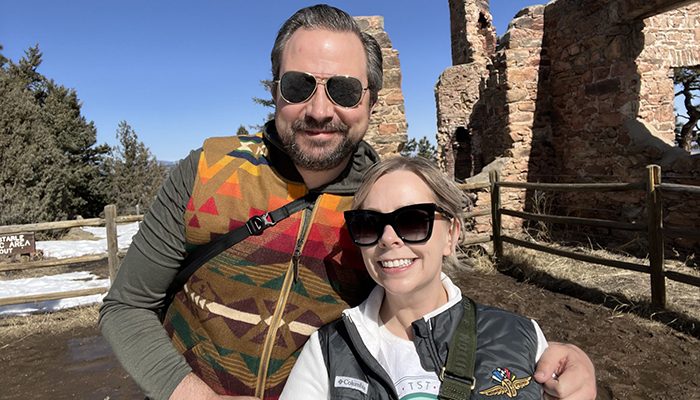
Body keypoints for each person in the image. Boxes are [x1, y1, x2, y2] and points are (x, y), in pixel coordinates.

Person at [99, 4, 596, 400]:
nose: (319, 110)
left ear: (371, 102)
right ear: (275, 91)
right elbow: (126, 306)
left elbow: (431, 310)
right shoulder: (208, 171)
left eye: (343, 89)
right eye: (299, 86)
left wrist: (543, 356)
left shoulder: (382, 204)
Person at [281, 156, 550, 399]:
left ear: (451, 234)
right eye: (368, 224)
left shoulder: (522, 338)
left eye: (412, 221)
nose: (388, 239)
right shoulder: (329, 350)